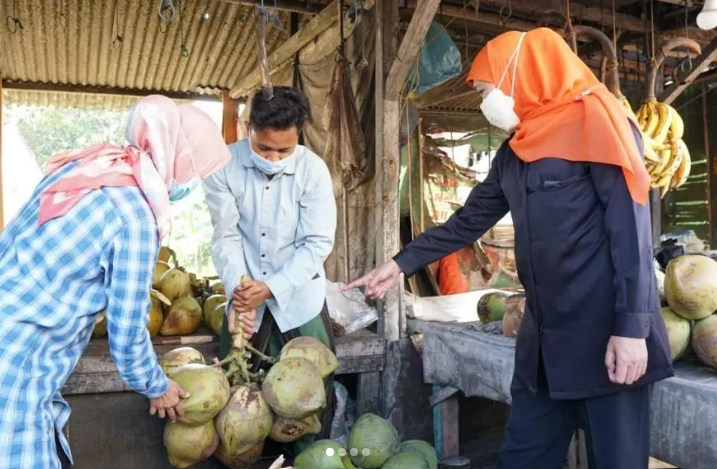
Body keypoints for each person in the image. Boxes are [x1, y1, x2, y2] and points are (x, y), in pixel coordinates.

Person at [345, 29, 673, 469]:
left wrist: (632, 329)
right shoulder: (516, 151)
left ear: (518, 74)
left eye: (485, 89)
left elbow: (631, 234)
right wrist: (400, 264)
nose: (484, 102)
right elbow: (469, 221)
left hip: (606, 337)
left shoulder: (600, 122)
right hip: (543, 347)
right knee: (521, 457)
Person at [0, 95, 238, 469]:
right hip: (19, 355)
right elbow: (127, 328)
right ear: (178, 159)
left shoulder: (94, 167)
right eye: (195, 172)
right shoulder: (136, 217)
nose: (191, 184)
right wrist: (156, 386)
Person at [203, 86, 337, 451]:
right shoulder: (222, 166)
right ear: (250, 128)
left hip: (300, 299)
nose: (274, 158)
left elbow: (316, 243)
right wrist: (239, 287)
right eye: (264, 148)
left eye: (284, 150)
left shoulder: (313, 171)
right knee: (235, 405)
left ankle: (308, 458)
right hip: (245, 303)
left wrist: (273, 286)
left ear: (299, 137)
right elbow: (225, 236)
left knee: (308, 405)